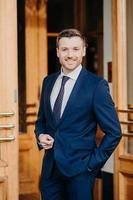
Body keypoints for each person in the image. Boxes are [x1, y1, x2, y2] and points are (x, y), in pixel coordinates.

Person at [35, 28, 122, 200]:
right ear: (58, 51)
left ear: (83, 51)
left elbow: (114, 132)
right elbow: (41, 120)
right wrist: (40, 135)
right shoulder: (48, 81)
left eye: (75, 49)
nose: (70, 54)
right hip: (50, 171)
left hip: (80, 172)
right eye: (65, 49)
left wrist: (91, 165)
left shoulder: (96, 86)